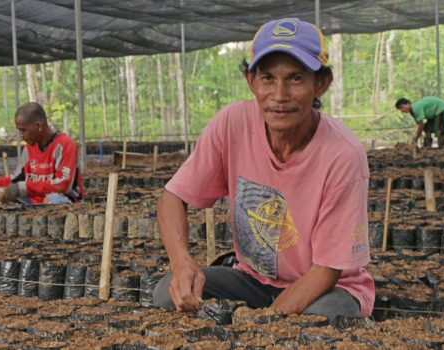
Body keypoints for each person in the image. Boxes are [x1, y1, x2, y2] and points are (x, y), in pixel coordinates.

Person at [153, 18, 374, 319]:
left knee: (325, 315)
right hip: (253, 279)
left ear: (320, 84)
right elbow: (171, 198)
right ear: (251, 80)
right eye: (268, 78)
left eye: (296, 78)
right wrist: (181, 264)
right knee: (166, 291)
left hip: (325, 287)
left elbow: (327, 269)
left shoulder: (342, 154)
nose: (279, 95)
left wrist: (264, 322)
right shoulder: (232, 124)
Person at [0, 102, 83, 205]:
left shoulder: (65, 144)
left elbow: (63, 185)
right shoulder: (29, 148)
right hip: (35, 200)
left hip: (64, 200)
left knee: (53, 199)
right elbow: (15, 179)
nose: (20, 135)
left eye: (23, 130)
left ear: (38, 126)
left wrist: (23, 188)